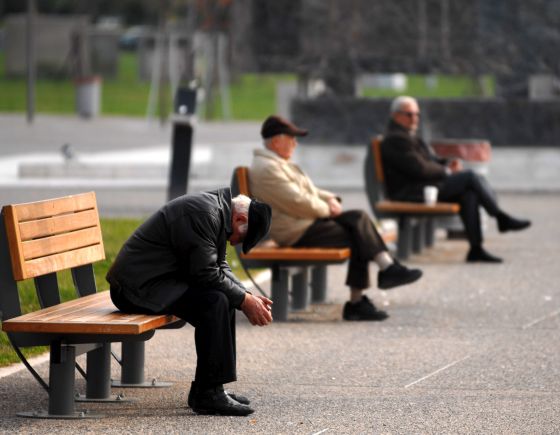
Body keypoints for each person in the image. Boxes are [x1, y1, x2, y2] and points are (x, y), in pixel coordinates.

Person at [107, 188, 272, 416]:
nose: (235, 243)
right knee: (215, 301)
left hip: (160, 282)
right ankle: (208, 393)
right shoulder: (204, 214)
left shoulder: (218, 212)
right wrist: (244, 299)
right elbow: (205, 273)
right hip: (136, 288)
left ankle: (213, 388)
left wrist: (246, 295)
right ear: (240, 218)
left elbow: (219, 267)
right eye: (241, 238)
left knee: (225, 297)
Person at [248, 115, 423, 322]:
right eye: (291, 138)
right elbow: (297, 201)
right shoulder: (268, 168)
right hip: (294, 232)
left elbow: (309, 192)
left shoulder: (276, 163)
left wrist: (330, 198)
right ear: (276, 141)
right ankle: (367, 291)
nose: (295, 143)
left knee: (358, 220)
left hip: (303, 224)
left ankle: (382, 275)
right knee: (359, 233)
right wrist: (328, 210)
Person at [381, 96, 531, 263]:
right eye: (409, 114)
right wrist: (446, 171)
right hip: (411, 192)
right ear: (395, 115)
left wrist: (447, 162)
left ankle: (476, 249)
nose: (414, 118)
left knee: (469, 194)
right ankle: (500, 217)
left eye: (417, 114)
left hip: (423, 188)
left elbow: (429, 160)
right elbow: (419, 169)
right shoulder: (396, 139)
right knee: (470, 177)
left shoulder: (407, 136)